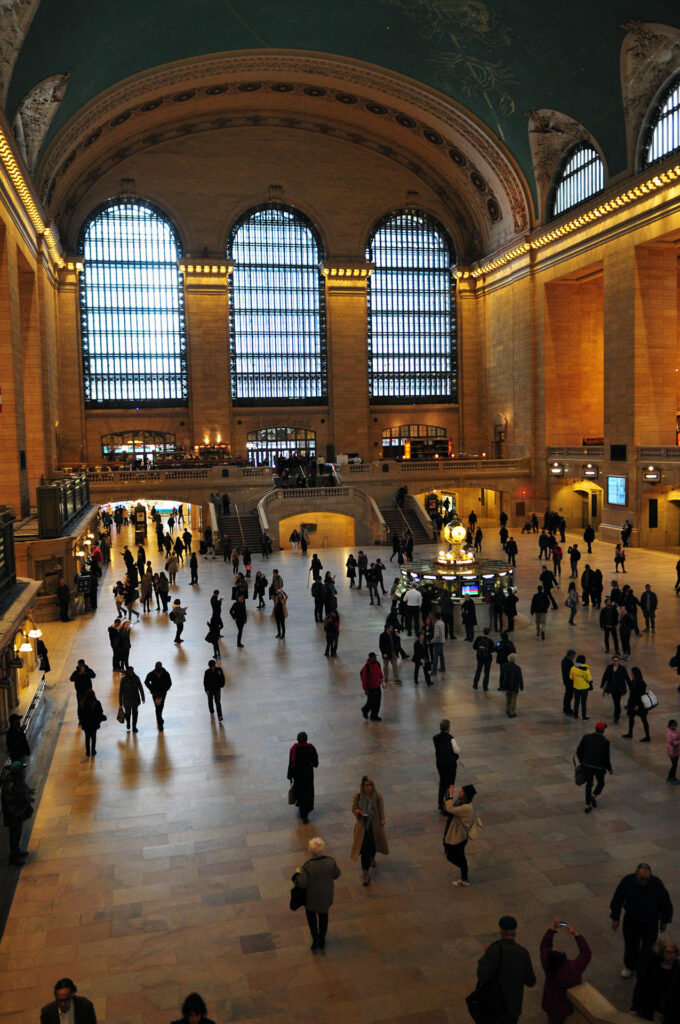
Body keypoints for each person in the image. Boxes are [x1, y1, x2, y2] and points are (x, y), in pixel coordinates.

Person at [610, 863, 674, 978]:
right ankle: (629, 966)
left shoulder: (656, 884)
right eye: (642, 879)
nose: (644, 882)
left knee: (648, 947)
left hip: (650, 922)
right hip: (631, 921)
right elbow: (617, 899)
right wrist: (615, 917)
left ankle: (644, 968)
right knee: (631, 945)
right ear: (636, 875)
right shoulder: (627, 881)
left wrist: (665, 920)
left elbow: (665, 902)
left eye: (646, 879)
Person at [476, 915, 536, 1024]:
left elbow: (482, 976)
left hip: (493, 1005)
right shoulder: (522, 952)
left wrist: (485, 957)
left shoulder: (494, 949)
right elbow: (531, 981)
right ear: (515, 932)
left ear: (501, 931)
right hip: (513, 1007)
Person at [539, 920, 592, 1024]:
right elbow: (586, 953)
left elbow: (544, 946)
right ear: (564, 955)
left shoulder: (547, 964)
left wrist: (551, 930)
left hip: (551, 1004)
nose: (557, 947)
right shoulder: (573, 968)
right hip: (568, 1006)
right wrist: (576, 935)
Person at [296, 836, 341, 952]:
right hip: (326, 896)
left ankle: (315, 938)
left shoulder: (308, 866)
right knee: (323, 917)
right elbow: (336, 874)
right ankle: (322, 939)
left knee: (311, 918)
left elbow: (303, 884)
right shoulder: (330, 861)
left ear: (310, 850)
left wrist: (297, 878)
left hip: (311, 898)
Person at [350, 775, 389, 886]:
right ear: (363, 786)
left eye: (370, 785)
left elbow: (381, 810)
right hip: (363, 828)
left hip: (374, 827)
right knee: (365, 850)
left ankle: (373, 857)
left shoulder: (377, 797)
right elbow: (353, 809)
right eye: (366, 785)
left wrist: (382, 820)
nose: (368, 787)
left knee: (373, 845)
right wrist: (358, 812)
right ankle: (365, 873)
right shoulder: (358, 797)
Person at [631, 937, 680, 1021]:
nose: (672, 955)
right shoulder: (651, 966)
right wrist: (634, 1008)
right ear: (661, 952)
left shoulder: (677, 967)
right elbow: (641, 986)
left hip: (669, 1004)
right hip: (650, 1001)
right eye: (669, 952)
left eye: (674, 952)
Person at [443, 783, 477, 886]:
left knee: (454, 856)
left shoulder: (466, 807)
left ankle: (464, 879)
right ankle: (464, 867)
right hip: (456, 834)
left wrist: (450, 795)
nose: (460, 792)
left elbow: (450, 809)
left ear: (466, 795)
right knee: (453, 855)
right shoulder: (462, 803)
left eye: (462, 791)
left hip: (459, 837)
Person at [1, 761, 33, 866]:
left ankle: (17, 851)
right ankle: (14, 857)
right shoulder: (11, 785)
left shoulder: (15, 781)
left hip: (17, 815)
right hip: (13, 816)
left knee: (17, 834)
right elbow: (12, 803)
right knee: (14, 836)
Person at [576, 721, 612, 813]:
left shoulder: (586, 737)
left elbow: (579, 750)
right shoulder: (605, 742)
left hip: (587, 765)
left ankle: (587, 805)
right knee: (601, 783)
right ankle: (594, 795)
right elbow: (606, 758)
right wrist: (610, 769)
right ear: (603, 731)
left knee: (589, 784)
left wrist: (582, 760)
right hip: (599, 767)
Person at [287, 731, 319, 824]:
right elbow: (316, 762)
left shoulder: (294, 748)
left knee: (300, 793)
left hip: (298, 776)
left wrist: (290, 776)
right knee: (308, 793)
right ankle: (305, 814)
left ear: (298, 739)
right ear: (306, 739)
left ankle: (301, 810)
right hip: (308, 775)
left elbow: (291, 763)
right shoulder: (311, 748)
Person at [433, 719, 460, 813]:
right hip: (450, 765)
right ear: (448, 728)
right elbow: (457, 751)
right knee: (450, 784)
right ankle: (448, 804)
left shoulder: (435, 738)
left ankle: (440, 803)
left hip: (440, 764)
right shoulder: (451, 738)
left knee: (443, 782)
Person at [623, 666, 651, 741]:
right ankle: (630, 733)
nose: (631, 674)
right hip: (633, 703)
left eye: (632, 672)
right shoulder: (634, 680)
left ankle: (647, 736)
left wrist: (638, 705)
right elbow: (632, 692)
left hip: (639, 704)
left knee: (644, 719)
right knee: (631, 718)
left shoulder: (640, 683)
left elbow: (641, 695)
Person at [600, 655, 630, 723]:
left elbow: (627, 678)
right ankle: (617, 712)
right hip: (613, 688)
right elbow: (605, 676)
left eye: (616, 661)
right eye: (614, 661)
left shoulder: (622, 668)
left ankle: (616, 715)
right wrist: (602, 684)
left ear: (618, 661)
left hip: (619, 688)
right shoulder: (609, 668)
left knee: (617, 702)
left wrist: (630, 685)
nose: (615, 662)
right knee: (616, 702)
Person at [144, 661, 172, 732]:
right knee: (157, 707)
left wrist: (165, 689)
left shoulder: (166, 674)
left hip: (162, 694)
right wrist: (151, 689)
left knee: (161, 706)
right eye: (156, 666)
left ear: (161, 667)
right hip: (155, 694)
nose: (157, 668)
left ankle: (159, 717)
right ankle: (159, 721)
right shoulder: (151, 674)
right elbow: (146, 682)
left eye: (159, 666)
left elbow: (170, 683)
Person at [80, 687, 106, 757]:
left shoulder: (82, 703)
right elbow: (100, 712)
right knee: (93, 737)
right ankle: (93, 750)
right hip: (93, 724)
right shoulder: (97, 703)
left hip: (86, 724)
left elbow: (80, 715)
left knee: (87, 737)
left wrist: (82, 722)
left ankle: (88, 751)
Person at [70, 659, 96, 727]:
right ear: (78, 665)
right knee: (80, 706)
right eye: (80, 665)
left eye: (82, 665)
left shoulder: (88, 670)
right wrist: (79, 674)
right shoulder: (76, 672)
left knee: (89, 705)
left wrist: (86, 673)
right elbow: (71, 679)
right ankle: (81, 720)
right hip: (80, 692)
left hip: (88, 692)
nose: (81, 666)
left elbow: (93, 675)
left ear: (84, 664)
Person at [118, 665, 145, 732]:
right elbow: (121, 692)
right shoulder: (123, 680)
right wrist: (120, 703)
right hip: (127, 700)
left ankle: (134, 726)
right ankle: (128, 723)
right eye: (129, 671)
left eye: (131, 671)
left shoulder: (136, 678)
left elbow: (140, 688)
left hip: (135, 700)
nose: (130, 673)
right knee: (128, 713)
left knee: (135, 713)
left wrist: (143, 697)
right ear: (127, 672)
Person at [360, 651, 384, 721]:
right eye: (374, 657)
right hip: (371, 688)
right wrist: (366, 689)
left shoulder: (377, 664)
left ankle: (374, 715)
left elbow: (380, 673)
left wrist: (382, 680)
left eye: (375, 657)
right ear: (370, 658)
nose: (375, 658)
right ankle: (365, 710)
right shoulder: (366, 667)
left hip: (377, 686)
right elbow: (364, 679)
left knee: (377, 702)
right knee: (371, 702)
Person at [500, 653, 524, 717]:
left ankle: (507, 709)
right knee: (513, 698)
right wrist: (521, 686)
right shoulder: (517, 668)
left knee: (507, 696)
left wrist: (501, 686)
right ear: (515, 659)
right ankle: (511, 712)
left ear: (508, 658)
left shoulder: (503, 666)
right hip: (514, 685)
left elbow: (501, 677)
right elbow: (520, 678)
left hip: (506, 685)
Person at [569, 654, 592, 721]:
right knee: (583, 703)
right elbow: (589, 679)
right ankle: (584, 716)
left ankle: (575, 715)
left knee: (576, 701)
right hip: (584, 688)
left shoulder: (573, 668)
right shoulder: (586, 669)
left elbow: (571, 677)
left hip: (576, 688)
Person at [560, 649, 575, 716]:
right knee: (568, 695)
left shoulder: (568, 661)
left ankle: (568, 708)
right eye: (573, 656)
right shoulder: (565, 662)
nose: (574, 657)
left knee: (569, 695)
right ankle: (566, 709)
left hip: (570, 681)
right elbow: (568, 672)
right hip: (568, 681)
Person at [666, 719, 680, 784]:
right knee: (674, 765)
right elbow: (671, 743)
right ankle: (670, 778)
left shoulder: (676, 731)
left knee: (675, 765)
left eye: (675, 726)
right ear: (670, 726)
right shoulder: (669, 733)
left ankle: (673, 777)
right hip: (672, 751)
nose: (674, 727)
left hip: (677, 751)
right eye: (673, 726)